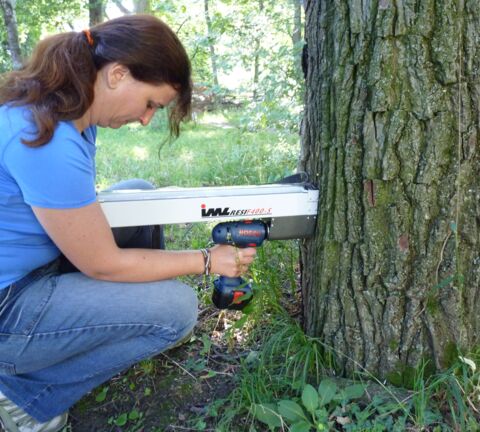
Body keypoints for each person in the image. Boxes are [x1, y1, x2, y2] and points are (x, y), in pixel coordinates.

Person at [0, 14, 256, 432]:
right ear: (118, 74)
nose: (146, 119)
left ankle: (119, 321)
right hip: (7, 310)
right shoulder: (46, 138)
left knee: (136, 190)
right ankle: (24, 398)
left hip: (24, 274)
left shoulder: (65, 113)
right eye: (152, 103)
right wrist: (208, 260)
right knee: (176, 310)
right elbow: (102, 265)